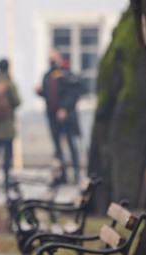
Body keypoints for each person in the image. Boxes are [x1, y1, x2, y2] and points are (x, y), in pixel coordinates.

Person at [35, 48, 83, 183]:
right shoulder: (48, 75)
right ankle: (62, 175)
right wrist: (40, 92)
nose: (51, 60)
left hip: (67, 115)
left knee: (71, 143)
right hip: (52, 115)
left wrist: (65, 108)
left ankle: (76, 173)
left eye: (54, 57)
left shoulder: (68, 74)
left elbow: (74, 93)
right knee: (57, 147)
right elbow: (48, 94)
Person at [0, 58, 21, 186]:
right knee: (7, 154)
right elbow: (17, 101)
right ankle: (6, 178)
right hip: (7, 123)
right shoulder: (9, 83)